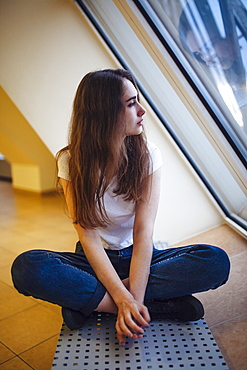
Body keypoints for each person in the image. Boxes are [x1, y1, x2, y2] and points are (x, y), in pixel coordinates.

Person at [11, 69, 230, 346]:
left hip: (138, 256)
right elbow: (88, 236)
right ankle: (159, 306)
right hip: (93, 260)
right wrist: (124, 300)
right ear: (105, 113)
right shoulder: (70, 161)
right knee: (26, 268)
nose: (142, 111)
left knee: (215, 261)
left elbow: (142, 233)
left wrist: (131, 299)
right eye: (130, 103)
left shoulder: (149, 155)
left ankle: (92, 303)